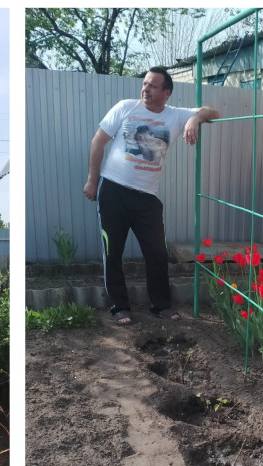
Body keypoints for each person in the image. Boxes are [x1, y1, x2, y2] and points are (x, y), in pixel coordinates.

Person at [83, 67, 220, 325]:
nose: (146, 89)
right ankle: (119, 307)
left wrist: (194, 119)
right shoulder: (125, 107)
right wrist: (92, 180)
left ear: (166, 92)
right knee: (112, 252)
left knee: (157, 253)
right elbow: (98, 142)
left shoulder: (176, 116)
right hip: (113, 190)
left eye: (153, 85)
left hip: (147, 198)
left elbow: (214, 111)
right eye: (144, 84)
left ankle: (160, 306)